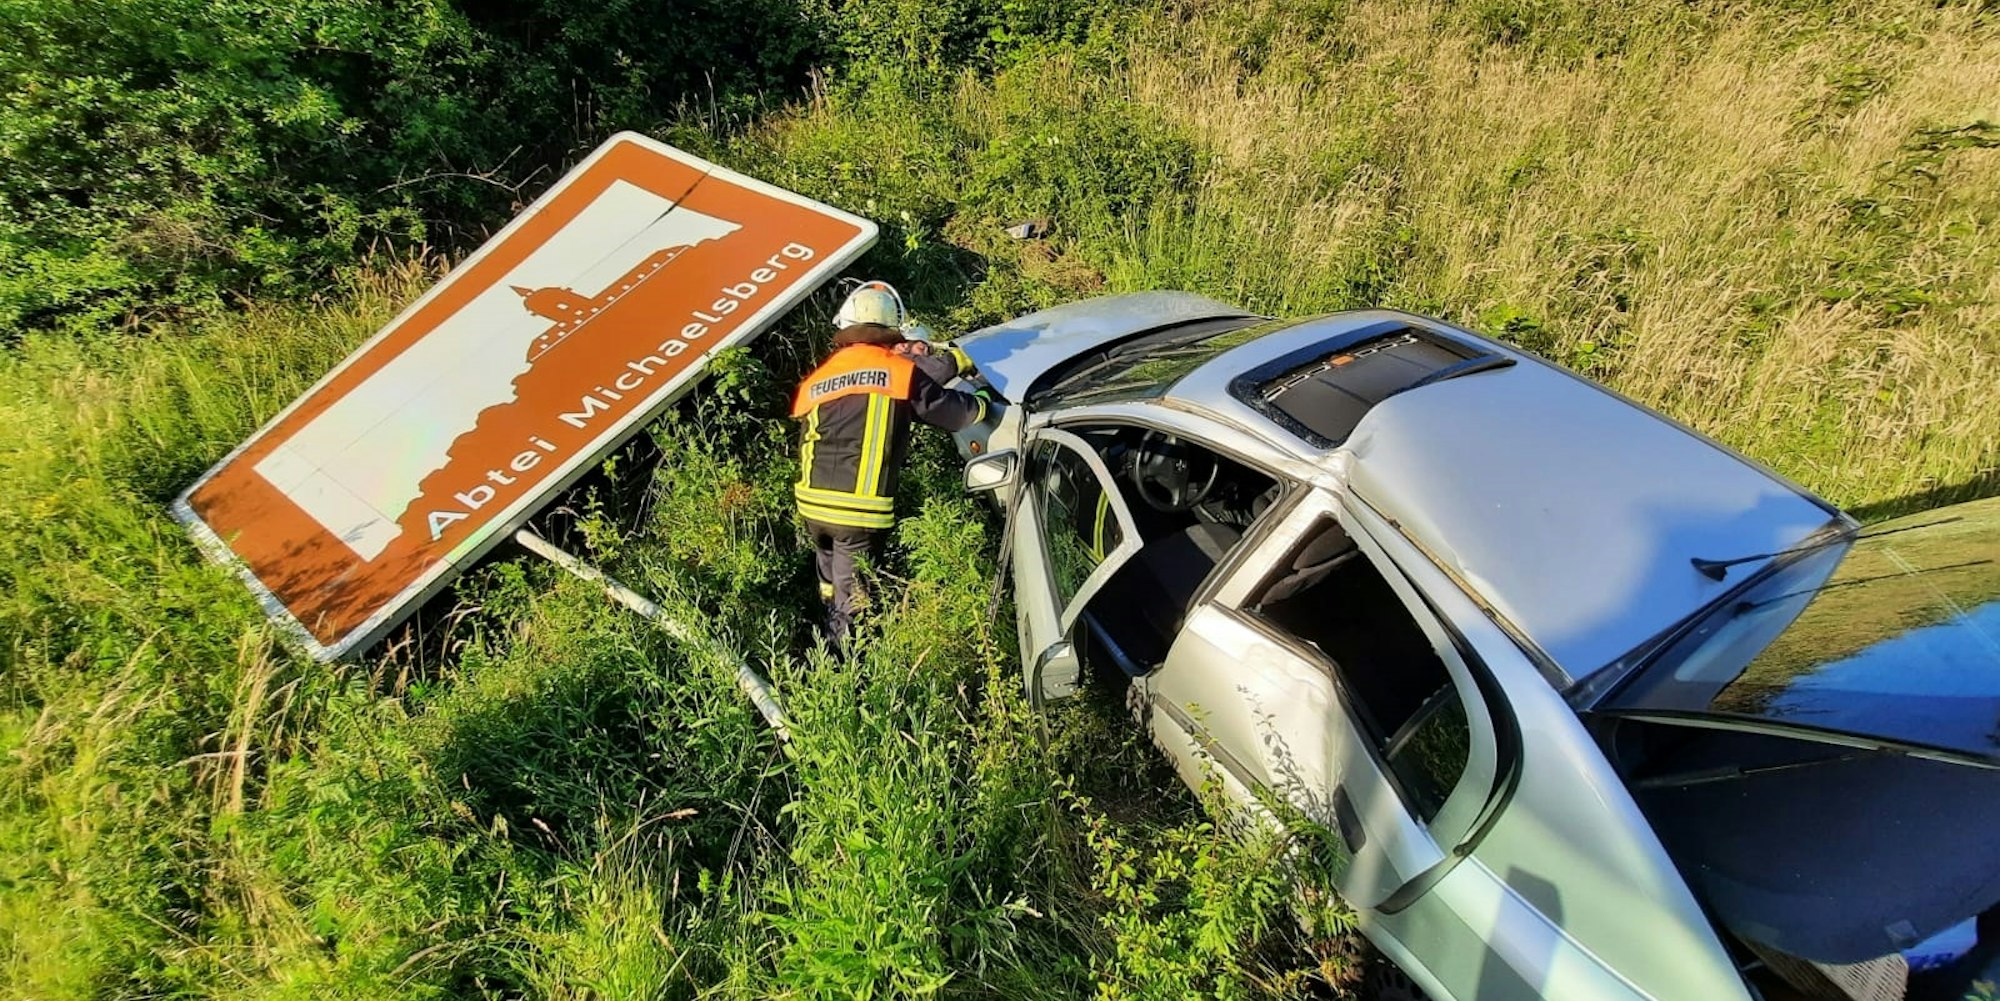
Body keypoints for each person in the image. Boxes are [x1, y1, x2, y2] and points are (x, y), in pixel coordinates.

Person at [791, 281, 988, 644]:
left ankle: (820, 630)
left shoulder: (818, 378)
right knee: (855, 601)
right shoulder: (898, 371)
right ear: (890, 330)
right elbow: (955, 414)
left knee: (830, 581)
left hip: (811, 506)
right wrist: (985, 401)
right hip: (858, 511)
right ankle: (846, 669)